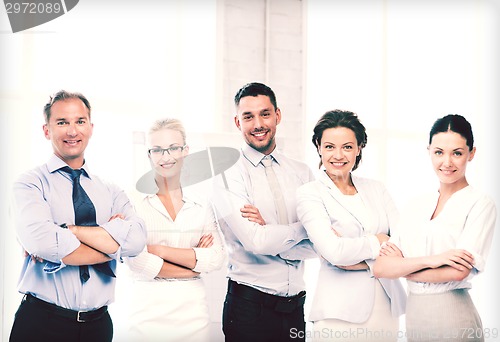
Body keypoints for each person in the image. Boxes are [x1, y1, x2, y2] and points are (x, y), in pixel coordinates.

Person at [9, 90, 147, 342]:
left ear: (91, 127)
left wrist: (69, 231)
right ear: (46, 130)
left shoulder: (111, 190)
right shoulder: (30, 184)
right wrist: (112, 241)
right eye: (62, 122)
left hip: (99, 325)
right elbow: (43, 243)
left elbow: (137, 242)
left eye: (80, 121)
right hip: (42, 323)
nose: (72, 131)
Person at [374, 114, 496, 342]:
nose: (447, 162)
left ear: (472, 153)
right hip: (415, 319)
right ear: (429, 151)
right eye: (439, 152)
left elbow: (458, 272)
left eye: (457, 153)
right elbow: (381, 267)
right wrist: (434, 260)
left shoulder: (480, 203)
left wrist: (402, 267)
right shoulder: (415, 205)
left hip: (455, 318)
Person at [212, 82, 316, 342]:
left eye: (265, 114)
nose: (258, 124)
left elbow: (321, 244)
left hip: (295, 309)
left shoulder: (302, 172)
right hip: (249, 309)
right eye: (248, 117)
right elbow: (255, 241)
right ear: (238, 122)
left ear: (277, 116)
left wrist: (272, 232)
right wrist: (304, 228)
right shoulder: (228, 174)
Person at [296, 110, 406, 341]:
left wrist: (354, 259)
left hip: (386, 307)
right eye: (329, 147)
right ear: (318, 146)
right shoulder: (309, 194)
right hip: (339, 314)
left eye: (347, 147)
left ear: (359, 148)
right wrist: (379, 241)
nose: (338, 155)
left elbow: (403, 242)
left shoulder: (377, 188)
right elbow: (334, 252)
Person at [125, 118, 226, 341]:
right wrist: (193, 266)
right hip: (146, 313)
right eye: (158, 150)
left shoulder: (201, 202)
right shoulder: (132, 201)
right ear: (149, 155)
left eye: (173, 148)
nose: (166, 157)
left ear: (185, 152)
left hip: (193, 314)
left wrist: (159, 251)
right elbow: (136, 260)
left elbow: (217, 257)